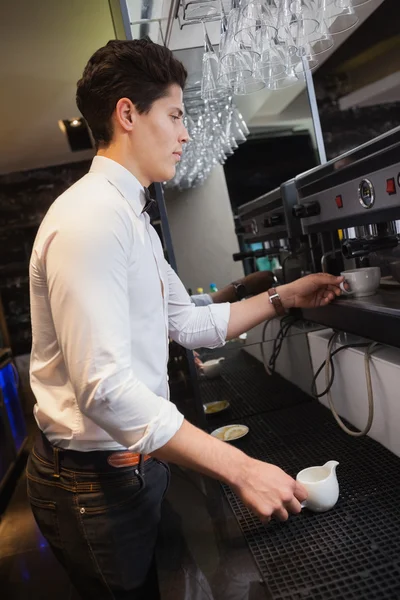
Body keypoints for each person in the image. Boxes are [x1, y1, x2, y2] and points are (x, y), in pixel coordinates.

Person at [27, 38, 345, 599]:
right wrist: (241, 468)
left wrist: (286, 295)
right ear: (128, 113)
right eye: (174, 115)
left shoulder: (133, 219)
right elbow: (103, 391)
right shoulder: (91, 220)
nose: (186, 133)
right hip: (91, 483)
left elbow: (189, 322)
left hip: (133, 465)